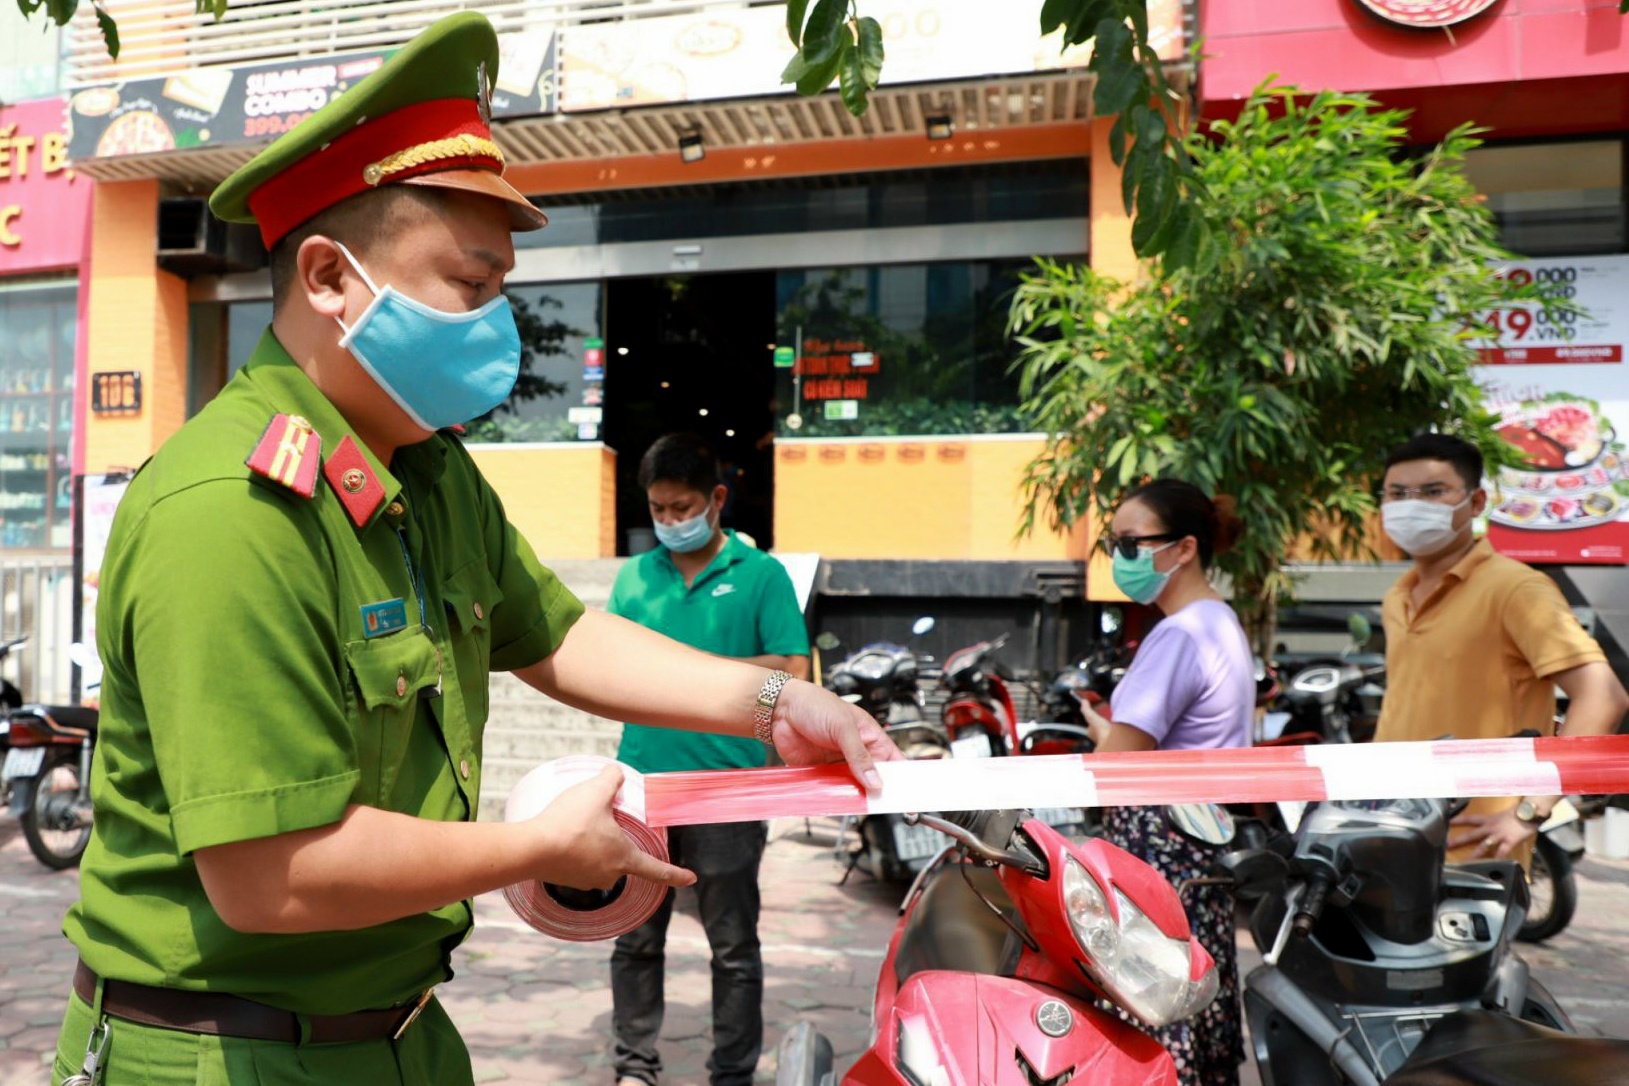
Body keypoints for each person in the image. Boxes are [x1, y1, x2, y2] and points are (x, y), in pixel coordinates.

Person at [49, 16, 896, 1086]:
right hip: (221, 1053)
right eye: (469, 284)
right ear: (327, 277)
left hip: (397, 1033)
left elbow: (559, 634)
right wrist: (537, 849)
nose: (501, 323)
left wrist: (777, 708)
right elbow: (270, 879)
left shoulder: (428, 471)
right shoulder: (233, 513)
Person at [607, 433, 811, 1086]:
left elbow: (792, 673)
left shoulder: (760, 576)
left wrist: (691, 674)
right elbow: (612, 668)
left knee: (732, 948)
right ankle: (634, 1065)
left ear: (717, 499)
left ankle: (732, 1073)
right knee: (634, 938)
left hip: (729, 791)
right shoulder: (634, 577)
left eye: (682, 506)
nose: (669, 521)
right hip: (642, 786)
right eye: (659, 509)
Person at [1374, 433, 1627, 864]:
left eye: (1433, 492)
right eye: (1398, 494)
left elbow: (1603, 696)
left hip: (1473, 851)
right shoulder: (1398, 595)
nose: (1410, 505)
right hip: (1392, 836)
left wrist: (1530, 812)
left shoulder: (1515, 588)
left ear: (1475, 503)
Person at [1078, 478, 1252, 1086]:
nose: (1119, 556)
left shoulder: (1179, 634)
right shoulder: (1219, 621)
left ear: (1183, 549)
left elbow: (1121, 757)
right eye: (1113, 542)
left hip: (1162, 862)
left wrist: (1100, 728)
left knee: (1157, 1016)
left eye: (1131, 543)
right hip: (1200, 850)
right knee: (1192, 1007)